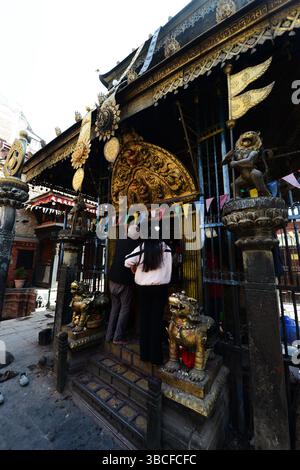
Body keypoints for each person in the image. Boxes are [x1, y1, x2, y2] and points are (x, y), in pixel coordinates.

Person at [124, 239, 172, 365]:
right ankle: (156, 357)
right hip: (160, 289)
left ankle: (145, 354)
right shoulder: (166, 247)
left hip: (144, 289)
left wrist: (135, 266)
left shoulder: (143, 247)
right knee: (157, 320)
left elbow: (127, 260)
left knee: (145, 320)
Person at [105, 224, 140, 345]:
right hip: (124, 282)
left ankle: (109, 336)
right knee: (125, 308)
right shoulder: (137, 244)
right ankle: (117, 337)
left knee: (114, 308)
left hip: (112, 279)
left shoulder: (120, 241)